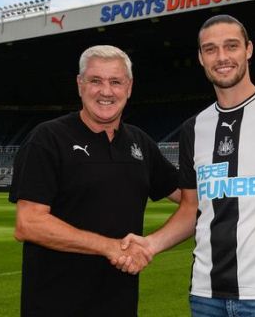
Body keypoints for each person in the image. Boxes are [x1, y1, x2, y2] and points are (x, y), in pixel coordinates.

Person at [117, 15, 255, 317]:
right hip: (206, 297)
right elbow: (189, 210)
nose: (221, 57)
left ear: (248, 49)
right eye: (210, 49)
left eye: (231, 46)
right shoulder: (193, 128)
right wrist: (150, 244)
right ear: (200, 58)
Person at [9, 45, 180, 317]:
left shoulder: (140, 143)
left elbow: (190, 197)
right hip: (54, 306)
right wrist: (110, 247)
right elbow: (28, 224)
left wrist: (152, 244)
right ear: (80, 85)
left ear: (129, 87)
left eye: (115, 82)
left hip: (120, 306)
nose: (106, 91)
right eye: (95, 81)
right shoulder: (48, 138)